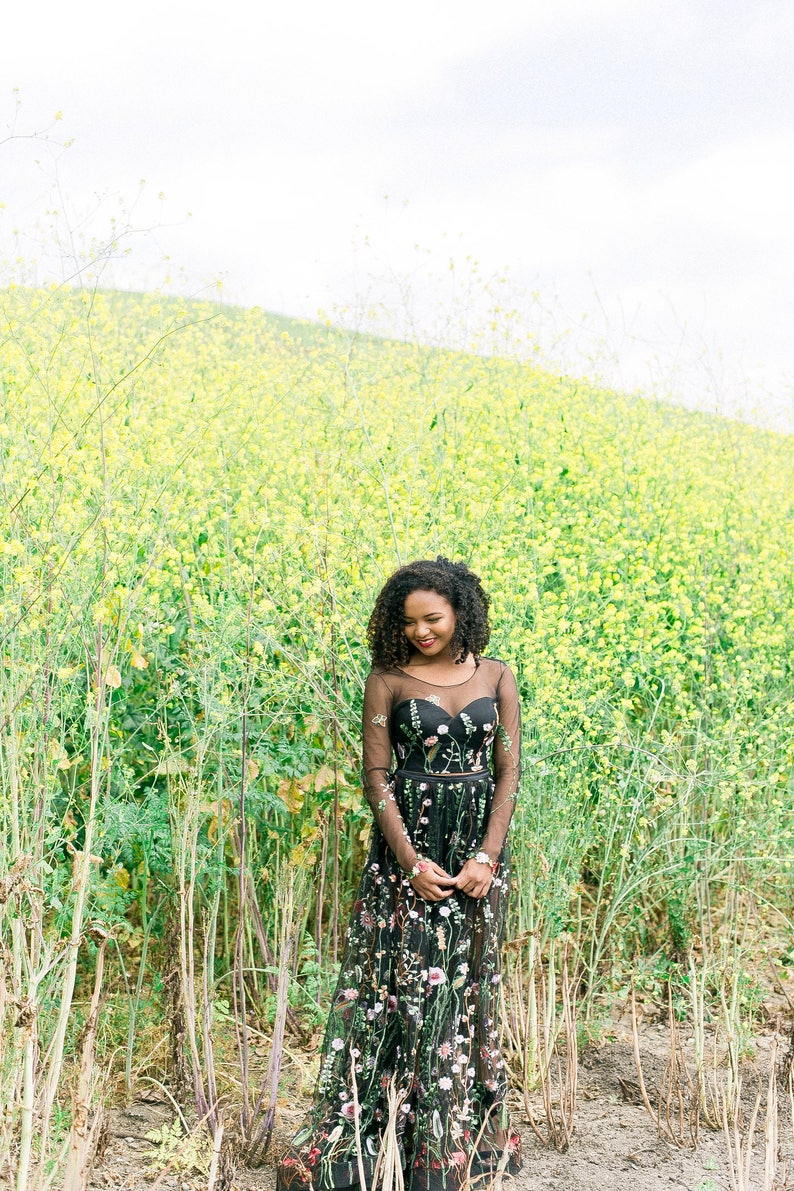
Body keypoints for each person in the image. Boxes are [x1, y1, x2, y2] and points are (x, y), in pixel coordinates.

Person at [278, 557, 522, 1191]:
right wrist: (409, 863)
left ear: (461, 613)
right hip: (406, 855)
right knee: (393, 989)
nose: (422, 632)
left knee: (464, 992)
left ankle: (449, 1147)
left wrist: (487, 859)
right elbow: (376, 776)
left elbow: (507, 775)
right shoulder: (387, 680)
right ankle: (372, 1145)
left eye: (433, 619)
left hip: (475, 853)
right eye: (409, 621)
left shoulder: (497, 676)